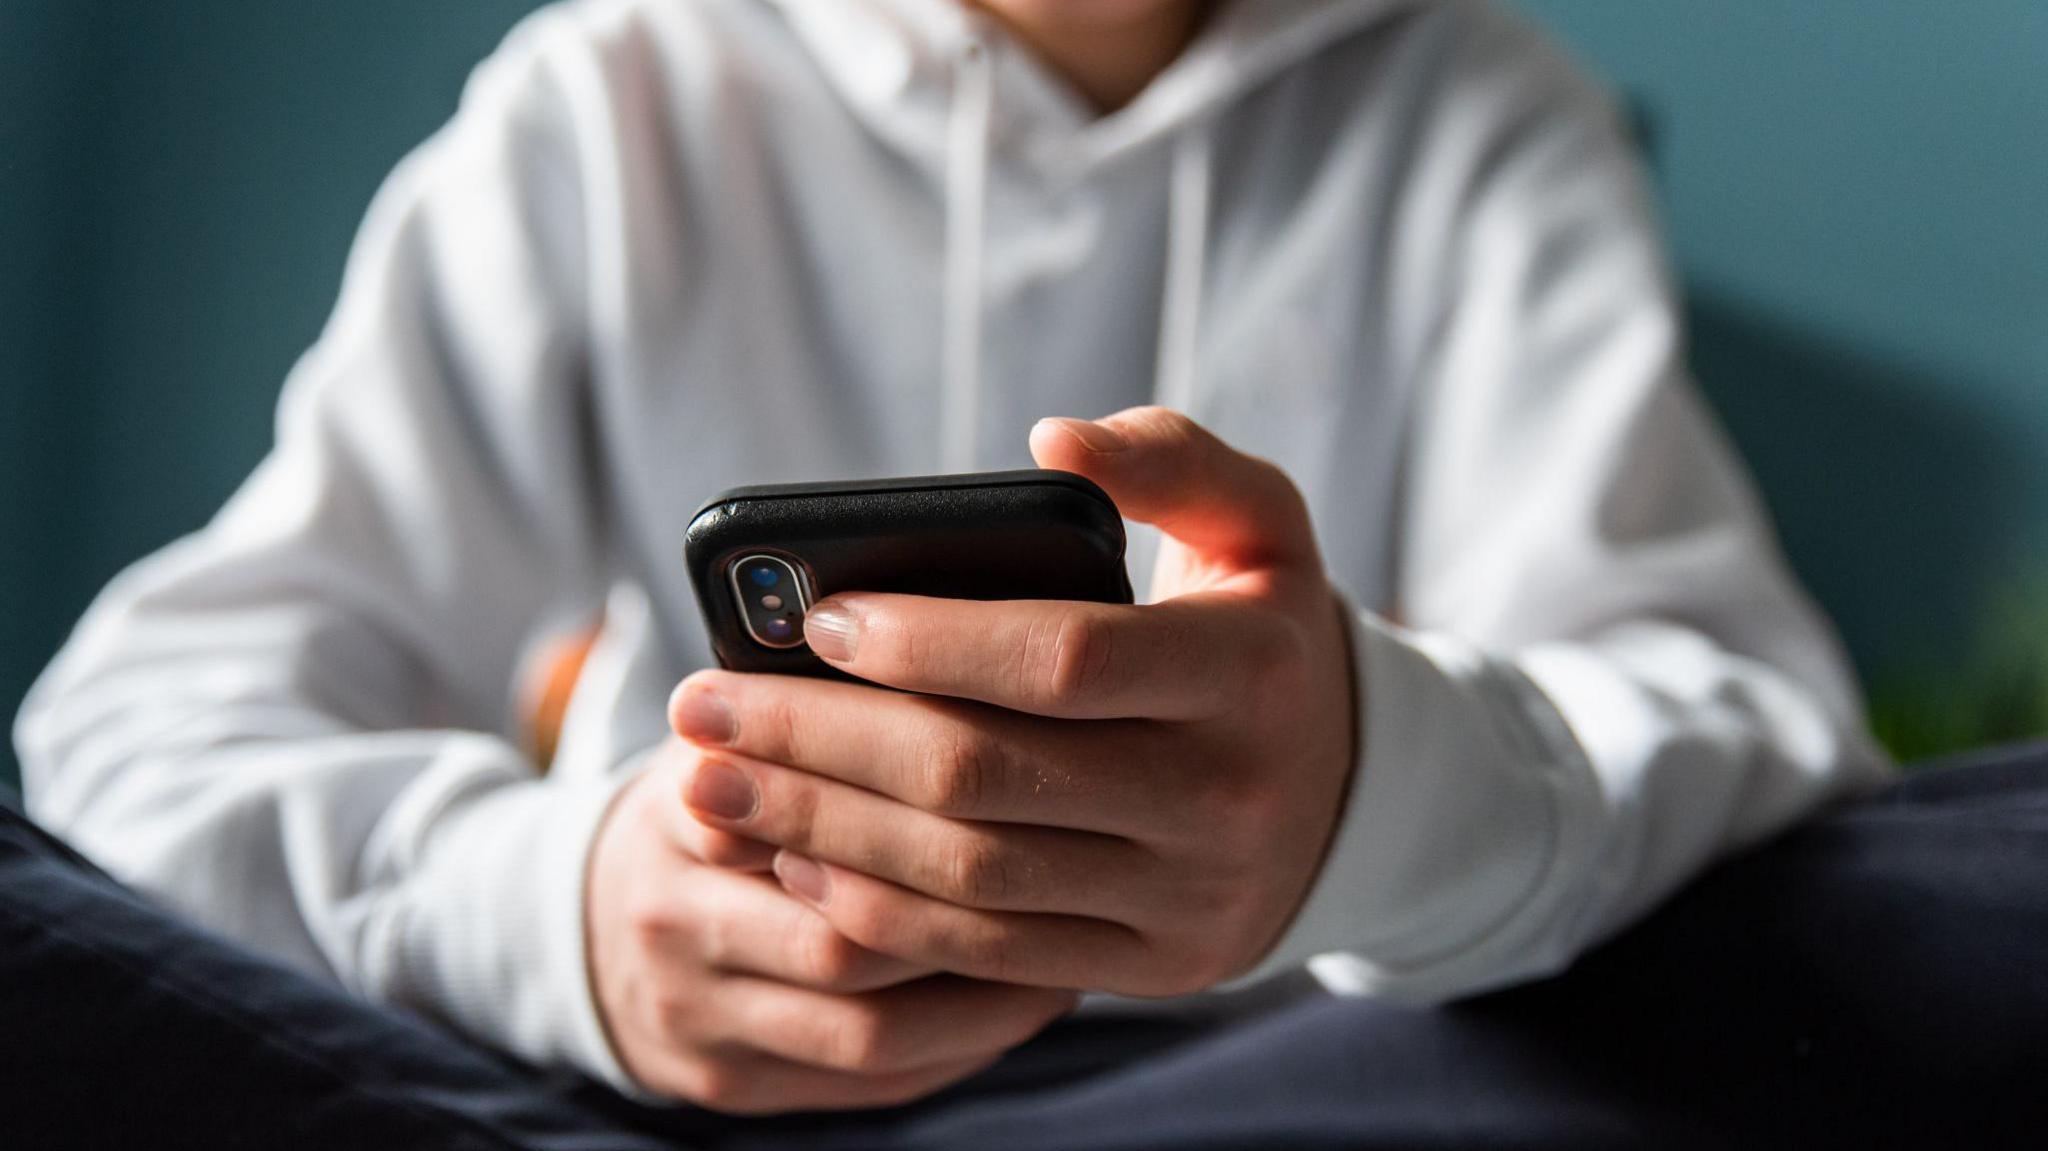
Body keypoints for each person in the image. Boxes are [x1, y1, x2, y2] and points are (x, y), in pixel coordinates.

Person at [11, 0, 1935, 1138]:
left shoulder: (1482, 117)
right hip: (676, 1094)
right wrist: (562, 912)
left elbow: (1738, 704)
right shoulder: (610, 107)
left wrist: (1363, 788)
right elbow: (142, 718)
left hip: (1287, 1085)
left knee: (1979, 886)